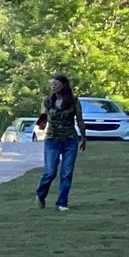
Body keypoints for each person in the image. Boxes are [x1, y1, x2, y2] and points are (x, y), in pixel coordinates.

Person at [35, 73, 87, 212]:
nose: (53, 87)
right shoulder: (47, 102)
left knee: (66, 173)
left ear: (64, 85)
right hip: (52, 139)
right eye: (51, 85)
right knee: (50, 172)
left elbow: (80, 120)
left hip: (70, 139)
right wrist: (41, 123)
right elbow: (42, 119)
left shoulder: (74, 101)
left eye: (56, 84)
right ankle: (40, 194)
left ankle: (62, 203)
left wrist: (83, 137)